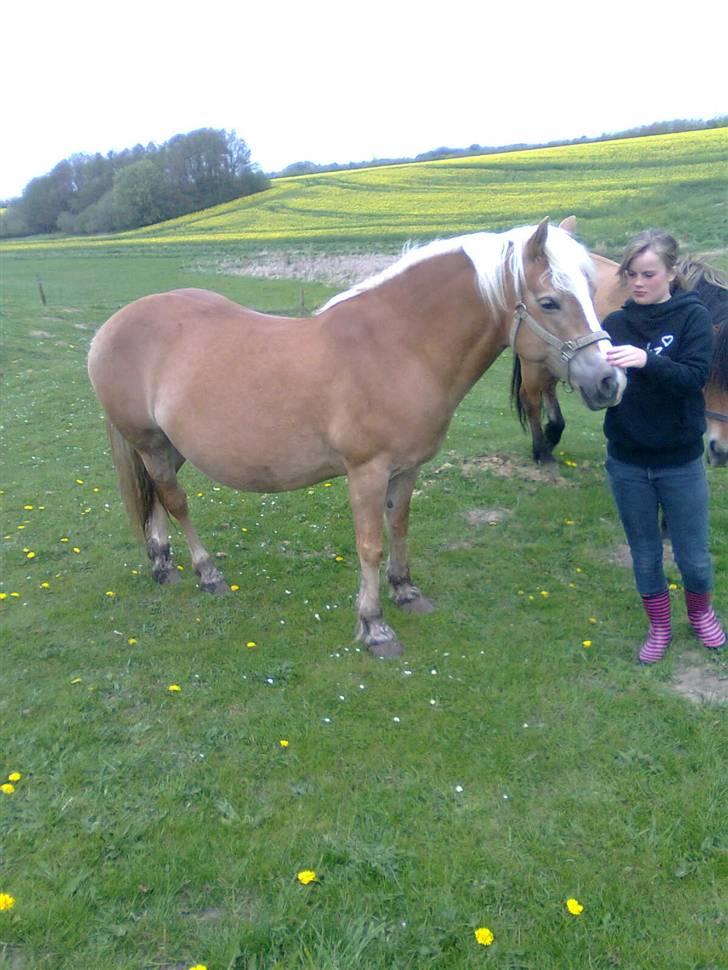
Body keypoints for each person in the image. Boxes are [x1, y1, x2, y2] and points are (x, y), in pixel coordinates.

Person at [602, 228, 726, 664]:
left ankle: (702, 614)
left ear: (671, 273)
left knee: (692, 557)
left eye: (649, 273)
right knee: (646, 554)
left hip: (679, 462)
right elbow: (603, 393)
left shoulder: (692, 318)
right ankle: (659, 627)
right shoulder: (614, 324)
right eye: (631, 273)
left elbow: (692, 378)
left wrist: (645, 360)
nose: (638, 282)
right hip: (627, 461)